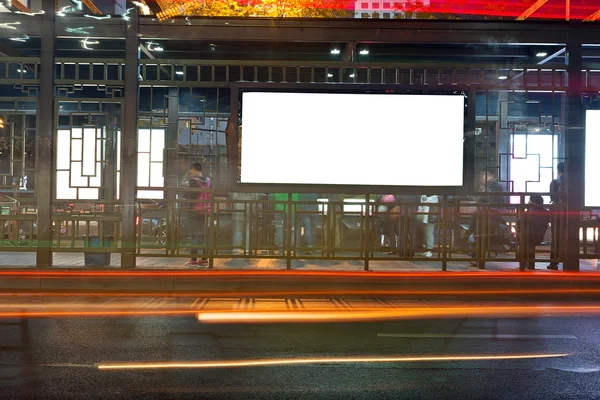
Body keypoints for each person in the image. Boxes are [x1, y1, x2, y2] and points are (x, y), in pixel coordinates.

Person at [466, 199, 510, 267]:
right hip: (494, 236)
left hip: (478, 235)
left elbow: (471, 227)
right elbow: (503, 223)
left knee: (470, 239)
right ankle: (492, 252)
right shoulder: (495, 212)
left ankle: (474, 258)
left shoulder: (476, 213)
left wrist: (475, 231)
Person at [184, 162, 211, 267]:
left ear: (194, 170)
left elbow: (187, 195)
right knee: (204, 235)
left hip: (194, 211)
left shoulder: (193, 181)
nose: (190, 172)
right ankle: (204, 258)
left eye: (191, 170)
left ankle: (194, 259)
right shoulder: (209, 181)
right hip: (206, 211)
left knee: (194, 235)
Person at [522, 195, 550, 271]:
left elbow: (521, 222)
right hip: (540, 236)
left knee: (524, 242)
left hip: (528, 235)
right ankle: (529, 263)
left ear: (533, 202)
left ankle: (524, 263)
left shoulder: (529, 212)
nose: (528, 202)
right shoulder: (546, 212)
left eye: (529, 200)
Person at [548, 162, 565, 270]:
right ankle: (569, 259)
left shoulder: (555, 182)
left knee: (556, 237)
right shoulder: (574, 182)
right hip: (570, 214)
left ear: (558, 170)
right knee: (569, 236)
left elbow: (552, 197)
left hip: (557, 213)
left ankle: (554, 262)